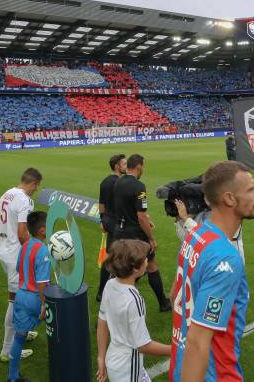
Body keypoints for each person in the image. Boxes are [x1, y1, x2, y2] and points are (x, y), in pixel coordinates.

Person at [170, 161, 254, 381]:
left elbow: (174, 295)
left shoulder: (195, 235)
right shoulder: (225, 259)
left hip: (180, 364)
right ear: (229, 198)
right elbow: (198, 341)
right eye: (250, 190)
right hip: (214, 374)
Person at [0, 167, 43, 363]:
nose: (36, 190)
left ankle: (23, 332)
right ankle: (8, 350)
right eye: (36, 186)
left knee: (23, 294)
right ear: (33, 183)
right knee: (15, 300)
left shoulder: (6, 194)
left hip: (3, 251)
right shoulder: (24, 199)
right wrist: (35, 250)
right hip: (15, 255)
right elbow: (21, 232)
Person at [97, 239, 170, 382]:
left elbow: (102, 321)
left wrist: (101, 356)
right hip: (128, 367)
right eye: (145, 260)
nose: (147, 262)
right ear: (136, 268)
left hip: (114, 360)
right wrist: (175, 350)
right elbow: (143, 345)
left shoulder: (110, 284)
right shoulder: (134, 300)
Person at [113, 154, 169, 312]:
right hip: (135, 234)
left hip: (120, 231)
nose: (143, 169)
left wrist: (145, 217)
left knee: (122, 269)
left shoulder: (118, 182)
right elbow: (141, 216)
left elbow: (125, 207)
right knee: (151, 266)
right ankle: (163, 303)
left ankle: (111, 306)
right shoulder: (139, 186)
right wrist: (151, 238)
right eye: (142, 166)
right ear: (138, 166)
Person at [7, 211, 50, 382]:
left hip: (20, 296)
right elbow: (42, 282)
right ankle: (65, 366)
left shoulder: (25, 245)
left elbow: (18, 268)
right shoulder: (43, 250)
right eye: (48, 225)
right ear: (41, 230)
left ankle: (13, 376)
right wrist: (42, 304)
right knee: (57, 327)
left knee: (19, 336)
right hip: (34, 298)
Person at [96, 154, 127, 302]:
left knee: (111, 256)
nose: (126, 167)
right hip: (118, 223)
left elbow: (101, 206)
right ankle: (110, 291)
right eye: (124, 164)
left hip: (108, 221)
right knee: (116, 257)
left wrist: (102, 221)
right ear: (117, 166)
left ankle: (102, 291)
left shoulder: (104, 182)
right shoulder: (121, 183)